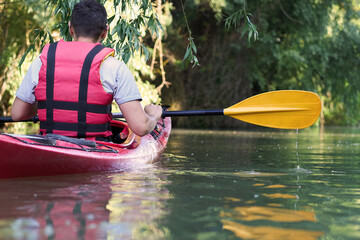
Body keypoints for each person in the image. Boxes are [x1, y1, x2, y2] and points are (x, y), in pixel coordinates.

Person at [11, 0, 163, 138]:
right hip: (94, 148)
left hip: (49, 145)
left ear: (70, 28)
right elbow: (141, 127)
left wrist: (48, 106)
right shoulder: (114, 67)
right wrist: (153, 116)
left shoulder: (42, 60)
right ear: (105, 32)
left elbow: (17, 114)